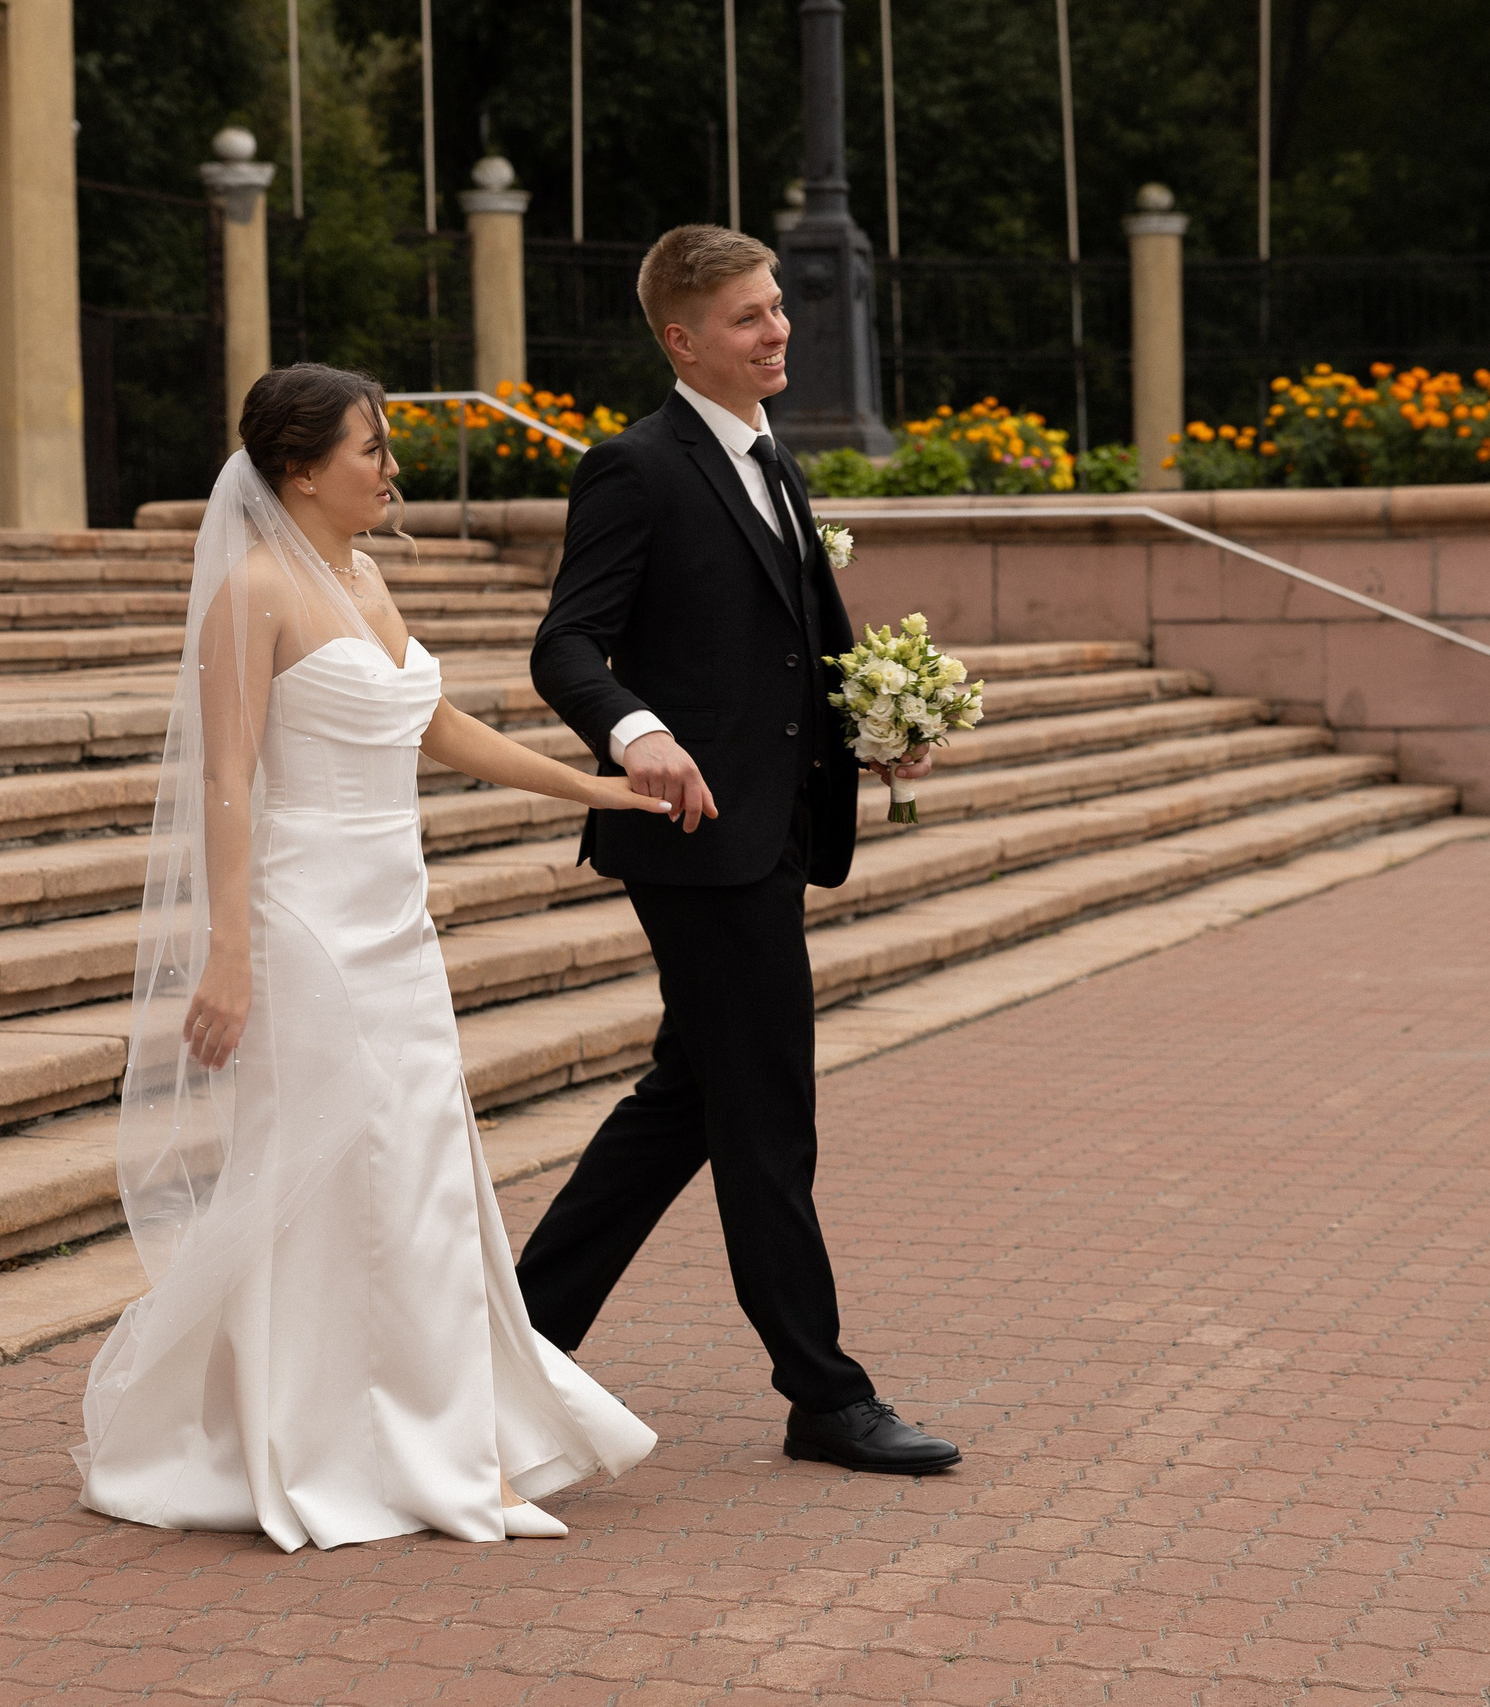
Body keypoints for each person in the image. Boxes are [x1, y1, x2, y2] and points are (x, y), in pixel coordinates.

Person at [75, 364, 667, 1549]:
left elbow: (435, 726)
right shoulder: (249, 590)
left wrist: (593, 784)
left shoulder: (361, 575)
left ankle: (443, 1434)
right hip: (306, 917)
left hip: (397, 916)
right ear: (299, 468)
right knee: (339, 1169)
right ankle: (332, 1439)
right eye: (369, 450)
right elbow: (224, 780)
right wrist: (228, 951)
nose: (390, 468)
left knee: (424, 1172)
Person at [514, 226, 961, 1475]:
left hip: (771, 830)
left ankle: (516, 1331)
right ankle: (823, 1393)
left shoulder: (775, 461)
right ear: (680, 339)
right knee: (766, 1113)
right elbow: (566, 647)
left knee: (694, 1100)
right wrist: (637, 733)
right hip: (693, 838)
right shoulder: (635, 467)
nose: (779, 331)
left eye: (776, 308)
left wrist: (869, 729)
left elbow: (776, 654)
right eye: (750, 317)